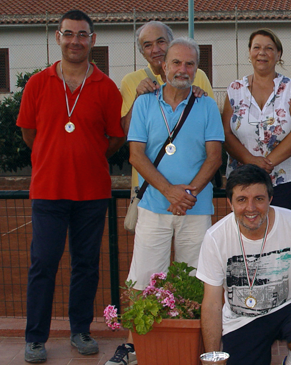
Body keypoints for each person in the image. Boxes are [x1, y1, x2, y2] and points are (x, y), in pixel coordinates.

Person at [17, 9, 125, 363]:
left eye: (82, 35)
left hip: (92, 192)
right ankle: (36, 337)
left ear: (92, 40)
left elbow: (113, 139)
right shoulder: (37, 83)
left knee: (86, 265)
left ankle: (80, 331)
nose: (75, 41)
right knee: (43, 264)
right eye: (68, 34)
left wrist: (88, 156)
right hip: (48, 191)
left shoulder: (106, 87)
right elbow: (30, 134)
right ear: (58, 38)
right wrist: (55, 156)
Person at [114, 37, 223, 364]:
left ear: (196, 69)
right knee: (144, 278)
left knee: (192, 282)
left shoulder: (206, 105)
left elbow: (214, 157)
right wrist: (170, 192)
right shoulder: (145, 103)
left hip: (196, 208)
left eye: (190, 64)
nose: (183, 69)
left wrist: (186, 194)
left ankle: (192, 348)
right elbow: (136, 156)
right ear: (163, 65)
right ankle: (133, 347)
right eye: (176, 63)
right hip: (154, 207)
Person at [198, 164, 291, 365]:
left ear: (270, 199)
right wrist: (213, 357)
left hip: (287, 307)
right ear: (229, 202)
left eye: (259, 199)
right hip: (242, 319)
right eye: (241, 200)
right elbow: (211, 303)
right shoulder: (215, 237)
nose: (251, 208)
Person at [118, 21, 213, 198]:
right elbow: (126, 131)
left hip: (192, 187)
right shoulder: (130, 81)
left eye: (161, 42)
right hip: (146, 187)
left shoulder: (197, 76)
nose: (155, 49)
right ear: (141, 51)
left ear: (171, 42)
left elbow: (211, 129)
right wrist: (139, 97)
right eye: (148, 45)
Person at [222, 28, 291, 210]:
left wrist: (265, 164)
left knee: (280, 230)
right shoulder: (234, 89)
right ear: (250, 53)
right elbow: (226, 133)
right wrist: (250, 160)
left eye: (269, 48)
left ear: (278, 54)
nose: (262, 53)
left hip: (284, 179)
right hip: (241, 180)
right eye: (256, 47)